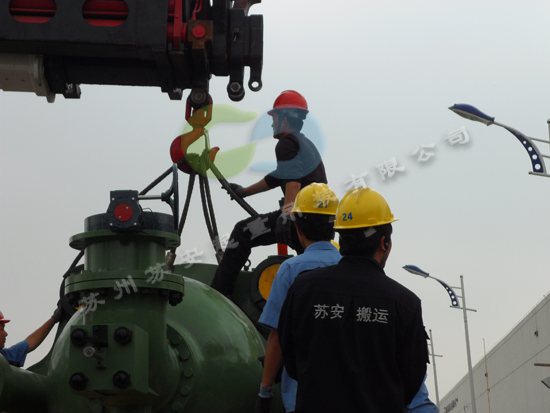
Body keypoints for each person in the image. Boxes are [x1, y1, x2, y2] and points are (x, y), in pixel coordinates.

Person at [278, 187, 430, 413]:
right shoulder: (405, 303)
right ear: (384, 243)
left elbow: (291, 358)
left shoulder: (303, 289)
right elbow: (412, 377)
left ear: (342, 238)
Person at [211, 90, 327, 297]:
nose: (272, 124)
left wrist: (286, 216)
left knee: (243, 232)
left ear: (284, 120)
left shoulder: (286, 143)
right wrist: (243, 192)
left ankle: (220, 295)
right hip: (318, 221)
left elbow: (293, 183)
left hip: (299, 218)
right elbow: (278, 177)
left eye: (274, 118)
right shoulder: (305, 144)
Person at [255, 183, 341, 413]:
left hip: (302, 397)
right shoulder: (351, 268)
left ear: (298, 228)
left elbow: (277, 335)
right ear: (334, 226)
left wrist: (265, 393)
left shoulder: (290, 270)